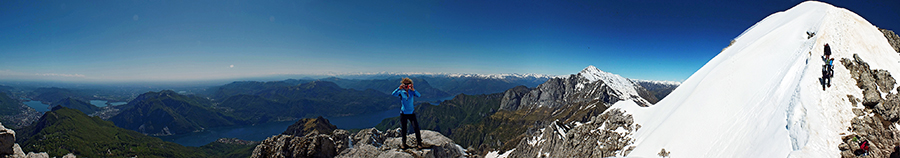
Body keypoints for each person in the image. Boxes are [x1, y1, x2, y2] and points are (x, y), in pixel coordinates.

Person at [392, 78, 423, 149]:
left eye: (408, 84)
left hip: (411, 113)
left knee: (416, 128)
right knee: (404, 129)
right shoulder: (401, 91)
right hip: (403, 113)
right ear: (402, 84)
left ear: (410, 84)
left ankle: (419, 143)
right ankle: (404, 144)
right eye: (405, 84)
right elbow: (393, 94)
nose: (406, 85)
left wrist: (413, 89)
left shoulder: (412, 92)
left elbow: (419, 95)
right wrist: (398, 88)